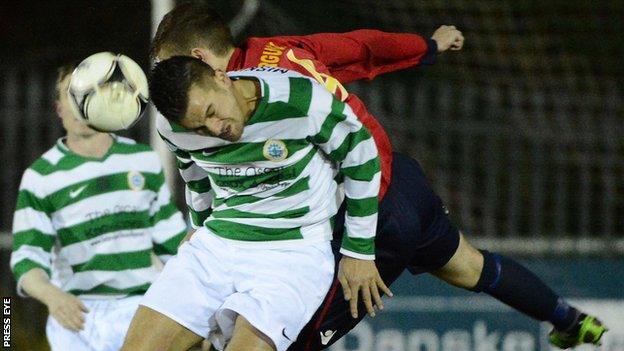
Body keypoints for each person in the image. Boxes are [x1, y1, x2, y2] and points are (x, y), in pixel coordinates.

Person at [149, 3, 607, 350]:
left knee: (282, 339)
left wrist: (357, 250)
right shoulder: (286, 51)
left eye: (174, 67)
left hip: (364, 221)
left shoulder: (266, 101)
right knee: (471, 266)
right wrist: (426, 46)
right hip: (404, 184)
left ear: (201, 61)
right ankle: (568, 319)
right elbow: (360, 47)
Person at [122, 57, 390, 351]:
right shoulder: (173, 127)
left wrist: (359, 251)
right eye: (199, 127)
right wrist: (199, 224)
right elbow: (194, 172)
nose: (214, 129)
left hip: (293, 255)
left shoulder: (300, 100)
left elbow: (362, 156)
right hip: (216, 246)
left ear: (221, 78)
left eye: (212, 112)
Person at [9, 63, 188, 351]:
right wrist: (54, 298)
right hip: (76, 315)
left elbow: (174, 245)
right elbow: (26, 260)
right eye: (72, 95)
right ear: (59, 109)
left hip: (139, 308)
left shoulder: (142, 159)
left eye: (88, 92)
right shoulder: (40, 177)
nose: (81, 103)